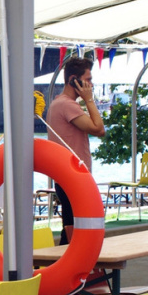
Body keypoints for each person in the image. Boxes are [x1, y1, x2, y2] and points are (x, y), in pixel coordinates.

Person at [46, 57, 105, 245]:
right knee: (74, 232)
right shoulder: (66, 104)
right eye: (88, 80)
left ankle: (64, 270)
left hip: (69, 176)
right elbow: (99, 129)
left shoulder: (61, 103)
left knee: (71, 228)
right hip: (72, 177)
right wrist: (89, 100)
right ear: (74, 80)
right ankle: (70, 271)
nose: (91, 84)